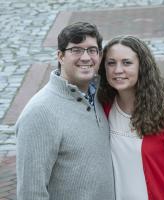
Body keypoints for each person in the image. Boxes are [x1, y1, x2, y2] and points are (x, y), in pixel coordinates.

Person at [16, 22, 115, 200]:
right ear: (60, 56)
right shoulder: (39, 113)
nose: (86, 57)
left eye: (92, 50)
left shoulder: (99, 96)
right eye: (76, 50)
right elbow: (31, 192)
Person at [98, 35, 164, 199]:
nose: (117, 70)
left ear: (142, 67)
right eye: (111, 63)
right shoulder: (103, 108)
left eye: (127, 62)